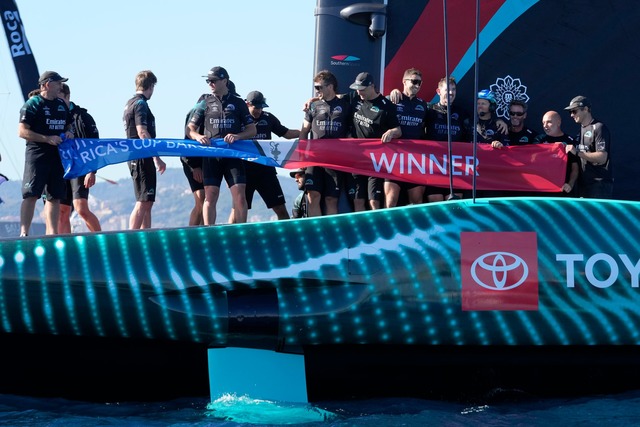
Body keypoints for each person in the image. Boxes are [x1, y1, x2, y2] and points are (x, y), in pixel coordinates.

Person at [187, 66, 256, 225]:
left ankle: (242, 231)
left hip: (233, 154)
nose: (210, 83)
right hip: (212, 155)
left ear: (224, 81)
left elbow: (252, 129)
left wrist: (238, 136)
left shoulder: (238, 102)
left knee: (239, 195)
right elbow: (189, 129)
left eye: (213, 80)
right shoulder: (204, 101)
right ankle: (209, 231)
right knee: (210, 195)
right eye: (208, 81)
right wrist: (198, 136)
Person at [229, 90, 300, 222]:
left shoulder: (268, 118)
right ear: (247, 104)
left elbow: (287, 133)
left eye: (261, 107)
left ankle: (285, 237)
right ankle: (229, 238)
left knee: (280, 209)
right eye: (256, 107)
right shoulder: (238, 118)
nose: (259, 111)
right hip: (244, 171)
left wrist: (307, 132)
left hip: (265, 170)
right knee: (237, 209)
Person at [18, 71, 74, 236]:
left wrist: (69, 132)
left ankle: (52, 234)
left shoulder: (61, 104)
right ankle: (24, 233)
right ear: (48, 84)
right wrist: (46, 138)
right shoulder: (33, 104)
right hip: (37, 156)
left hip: (57, 156)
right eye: (58, 83)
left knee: (54, 196)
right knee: (31, 194)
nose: (61, 87)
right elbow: (22, 131)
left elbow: (69, 125)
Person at [300, 70, 352, 217]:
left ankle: (330, 233)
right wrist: (302, 154)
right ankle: (315, 231)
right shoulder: (313, 106)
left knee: (331, 199)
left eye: (319, 87)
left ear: (330, 86)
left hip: (335, 159)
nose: (317, 91)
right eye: (315, 88)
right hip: (314, 158)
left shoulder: (345, 105)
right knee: (313, 196)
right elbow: (304, 131)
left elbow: (351, 132)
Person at [348, 71, 402, 211]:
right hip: (356, 158)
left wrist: (391, 132)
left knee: (374, 201)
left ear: (372, 86)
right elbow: (333, 98)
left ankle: (378, 230)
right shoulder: (355, 97)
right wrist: (312, 101)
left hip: (376, 159)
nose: (359, 93)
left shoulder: (386, 106)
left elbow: (398, 130)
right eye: (357, 89)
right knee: (358, 201)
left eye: (363, 89)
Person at [123, 70, 166, 230]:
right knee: (143, 200)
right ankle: (132, 236)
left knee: (148, 200)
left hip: (136, 155)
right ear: (150, 86)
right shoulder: (140, 104)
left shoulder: (130, 102)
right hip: (141, 155)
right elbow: (142, 132)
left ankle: (146, 235)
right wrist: (157, 157)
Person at [57, 83, 101, 233]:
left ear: (68, 97)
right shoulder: (53, 115)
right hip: (61, 168)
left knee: (81, 208)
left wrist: (92, 171)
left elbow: (95, 145)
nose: (57, 101)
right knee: (62, 211)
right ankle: (67, 248)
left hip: (80, 167)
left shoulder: (83, 117)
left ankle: (100, 239)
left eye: (60, 98)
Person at [383, 68, 427, 208]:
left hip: (415, 158)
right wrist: (318, 99)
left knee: (416, 201)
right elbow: (367, 102)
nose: (417, 85)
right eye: (414, 82)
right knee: (390, 201)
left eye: (419, 83)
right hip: (394, 157)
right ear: (404, 81)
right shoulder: (391, 99)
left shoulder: (423, 104)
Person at [564, 96, 613, 199]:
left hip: (598, 183)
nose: (572, 115)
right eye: (570, 112)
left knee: (597, 215)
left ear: (585, 109)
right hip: (583, 184)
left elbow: (602, 157)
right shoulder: (580, 132)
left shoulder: (599, 128)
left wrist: (577, 152)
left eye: (574, 111)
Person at [535, 111, 579, 196]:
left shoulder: (569, 141)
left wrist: (570, 184)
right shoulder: (539, 140)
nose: (545, 126)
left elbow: (575, 167)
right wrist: (553, 148)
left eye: (549, 122)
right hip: (543, 189)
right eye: (543, 123)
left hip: (563, 190)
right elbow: (533, 160)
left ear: (558, 123)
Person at [181, 93, 208, 226]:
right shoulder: (198, 112)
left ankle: (203, 229)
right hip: (192, 160)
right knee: (201, 197)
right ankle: (191, 232)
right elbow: (188, 140)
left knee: (207, 198)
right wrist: (194, 166)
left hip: (205, 159)